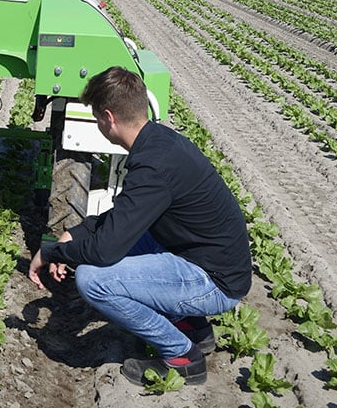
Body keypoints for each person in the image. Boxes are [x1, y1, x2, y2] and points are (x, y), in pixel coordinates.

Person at [27, 66, 252, 386]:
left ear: (108, 117)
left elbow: (104, 250)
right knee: (125, 242)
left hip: (216, 281)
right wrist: (74, 235)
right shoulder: (159, 142)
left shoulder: (153, 165)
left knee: (94, 280)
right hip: (208, 258)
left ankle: (183, 356)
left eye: (95, 117)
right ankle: (194, 328)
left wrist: (54, 251)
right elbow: (122, 219)